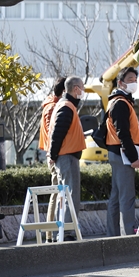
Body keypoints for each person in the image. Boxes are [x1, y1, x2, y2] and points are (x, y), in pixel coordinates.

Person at [105, 67, 139, 236]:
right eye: (130, 79)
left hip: (116, 153)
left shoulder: (117, 101)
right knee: (126, 197)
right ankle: (127, 235)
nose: (134, 82)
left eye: (135, 79)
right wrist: (133, 157)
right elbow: (123, 133)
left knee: (116, 196)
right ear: (120, 83)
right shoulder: (121, 103)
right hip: (123, 155)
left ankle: (113, 235)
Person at [48, 76, 86, 240]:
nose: (83, 91)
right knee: (70, 195)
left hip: (65, 156)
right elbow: (58, 132)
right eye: (82, 88)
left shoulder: (64, 105)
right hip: (67, 157)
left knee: (64, 195)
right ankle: (67, 232)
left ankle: (63, 230)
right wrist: (53, 154)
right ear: (75, 89)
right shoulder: (67, 107)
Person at [39, 76, 66, 242]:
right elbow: (52, 134)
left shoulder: (51, 104)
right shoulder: (53, 107)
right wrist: (52, 155)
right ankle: (50, 234)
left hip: (54, 154)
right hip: (56, 155)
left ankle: (51, 233)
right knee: (56, 193)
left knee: (56, 193)